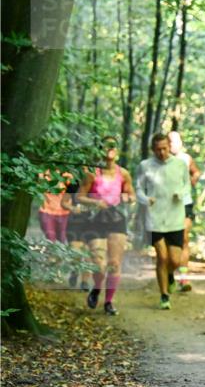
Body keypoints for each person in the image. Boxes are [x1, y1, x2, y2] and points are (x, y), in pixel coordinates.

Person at [76, 138, 135, 315]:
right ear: (101, 150)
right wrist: (96, 203)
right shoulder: (92, 174)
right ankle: (97, 287)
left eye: (112, 146)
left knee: (115, 263)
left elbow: (131, 194)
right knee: (99, 263)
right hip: (97, 219)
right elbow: (79, 197)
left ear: (117, 151)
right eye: (105, 146)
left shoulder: (123, 173)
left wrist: (128, 198)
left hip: (117, 219)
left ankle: (109, 302)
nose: (109, 149)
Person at [136, 133, 191, 310]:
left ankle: (170, 274)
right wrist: (145, 199)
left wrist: (181, 194)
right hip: (154, 218)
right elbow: (138, 188)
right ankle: (164, 295)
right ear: (153, 149)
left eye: (164, 148)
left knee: (174, 261)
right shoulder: (145, 166)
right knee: (162, 256)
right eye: (158, 149)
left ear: (170, 147)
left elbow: (187, 185)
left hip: (175, 217)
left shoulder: (180, 164)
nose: (161, 152)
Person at [168, 130, 200, 292]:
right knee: (169, 243)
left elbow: (196, 171)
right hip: (165, 206)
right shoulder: (161, 160)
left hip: (185, 203)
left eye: (176, 141)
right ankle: (169, 274)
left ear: (181, 143)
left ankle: (183, 278)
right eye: (170, 141)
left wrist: (193, 178)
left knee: (184, 239)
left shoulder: (186, 158)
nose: (173, 144)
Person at [37, 169, 72, 243]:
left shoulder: (67, 175)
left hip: (64, 213)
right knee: (50, 239)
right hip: (46, 211)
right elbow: (39, 188)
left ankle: (59, 254)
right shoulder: (43, 173)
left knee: (62, 240)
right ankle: (51, 254)